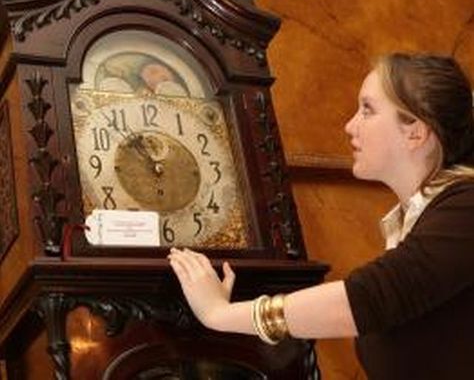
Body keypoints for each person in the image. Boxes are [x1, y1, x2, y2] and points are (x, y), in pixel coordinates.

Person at [168, 52, 474, 379]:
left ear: (415, 131)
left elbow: (364, 301)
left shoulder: (466, 208)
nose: (349, 125)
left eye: (367, 110)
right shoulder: (421, 219)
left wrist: (220, 314)